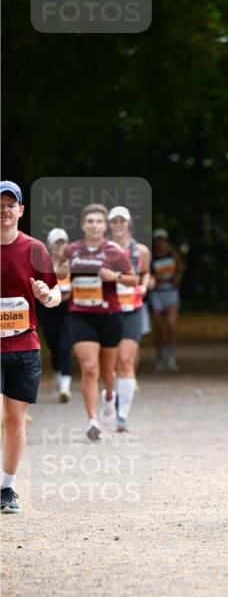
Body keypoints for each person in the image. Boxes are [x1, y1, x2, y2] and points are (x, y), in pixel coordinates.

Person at [1, 180, 61, 513]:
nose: (5, 210)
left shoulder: (34, 249)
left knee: (14, 421)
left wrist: (46, 295)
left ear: (21, 210)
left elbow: (56, 294)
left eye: (11, 205)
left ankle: (7, 488)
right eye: (0, 205)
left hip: (24, 347)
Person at [64, 204, 135, 440]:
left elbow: (133, 279)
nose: (94, 225)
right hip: (80, 315)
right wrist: (60, 273)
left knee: (108, 372)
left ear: (105, 226)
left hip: (110, 316)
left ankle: (109, 397)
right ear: (83, 225)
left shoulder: (114, 251)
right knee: (89, 368)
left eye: (98, 221)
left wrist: (115, 276)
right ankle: (92, 420)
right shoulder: (72, 250)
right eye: (90, 221)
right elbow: (59, 275)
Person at [108, 206, 151, 431]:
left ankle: (122, 416)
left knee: (126, 360)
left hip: (133, 309)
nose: (118, 225)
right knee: (111, 364)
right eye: (114, 221)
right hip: (109, 310)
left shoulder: (140, 251)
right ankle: (112, 399)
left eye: (121, 221)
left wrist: (144, 286)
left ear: (128, 224)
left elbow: (146, 273)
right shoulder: (102, 250)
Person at [39, 227, 73, 402]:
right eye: (56, 243)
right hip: (48, 309)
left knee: (64, 346)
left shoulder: (74, 263)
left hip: (68, 309)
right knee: (53, 345)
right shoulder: (42, 264)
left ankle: (65, 387)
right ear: (50, 245)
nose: (60, 246)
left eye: (63, 242)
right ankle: (59, 377)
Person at [149, 228, 182, 372]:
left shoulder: (173, 255)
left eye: (163, 240)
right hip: (157, 294)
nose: (161, 243)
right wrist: (154, 280)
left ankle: (171, 356)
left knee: (170, 325)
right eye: (158, 240)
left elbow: (180, 270)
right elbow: (148, 275)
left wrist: (177, 279)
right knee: (159, 328)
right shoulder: (151, 257)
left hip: (171, 293)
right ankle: (160, 357)